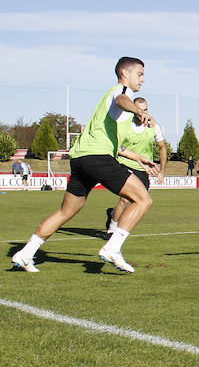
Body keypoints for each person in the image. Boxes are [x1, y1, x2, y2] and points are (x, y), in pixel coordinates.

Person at [11, 57, 156, 273]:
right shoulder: (122, 90)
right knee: (143, 199)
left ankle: (25, 253)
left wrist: (138, 157)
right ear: (125, 73)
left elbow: (113, 144)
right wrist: (138, 110)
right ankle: (113, 248)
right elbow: (122, 100)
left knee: (67, 210)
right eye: (140, 74)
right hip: (97, 158)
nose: (143, 79)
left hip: (82, 159)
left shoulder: (110, 107)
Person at [105, 97, 167, 238]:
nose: (142, 113)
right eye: (139, 110)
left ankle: (113, 214)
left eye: (145, 110)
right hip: (124, 164)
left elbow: (162, 147)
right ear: (132, 110)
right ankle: (112, 230)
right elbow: (116, 146)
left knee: (139, 201)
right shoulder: (123, 125)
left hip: (143, 169)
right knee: (125, 199)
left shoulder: (154, 127)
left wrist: (162, 171)